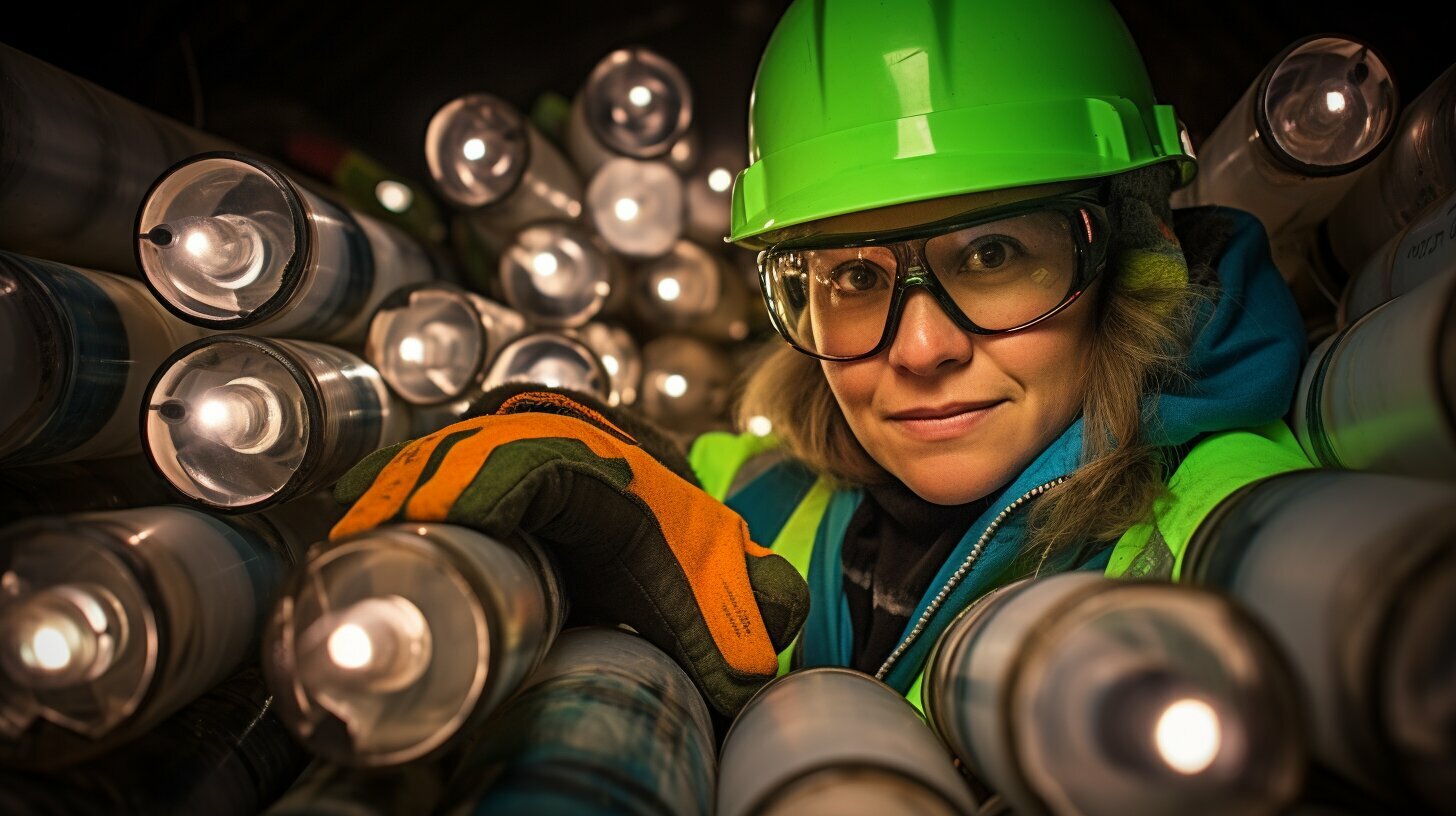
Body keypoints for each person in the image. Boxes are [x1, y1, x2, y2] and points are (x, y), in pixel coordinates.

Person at [329, 0, 1312, 717]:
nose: (920, 349)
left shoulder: (1247, 537)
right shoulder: (764, 489)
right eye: (852, 275)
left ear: (1125, 256)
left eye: (994, 254)